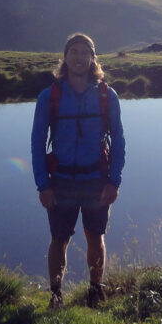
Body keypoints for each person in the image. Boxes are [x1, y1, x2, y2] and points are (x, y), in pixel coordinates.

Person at [31, 33, 125, 309]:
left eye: (85, 52)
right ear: (65, 58)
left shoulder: (108, 96)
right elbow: (37, 143)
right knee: (58, 240)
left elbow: (118, 140)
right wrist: (43, 185)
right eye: (74, 52)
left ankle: (95, 290)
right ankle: (56, 294)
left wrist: (114, 181)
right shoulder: (49, 97)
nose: (79, 57)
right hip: (60, 182)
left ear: (93, 58)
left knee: (95, 238)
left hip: (97, 181)